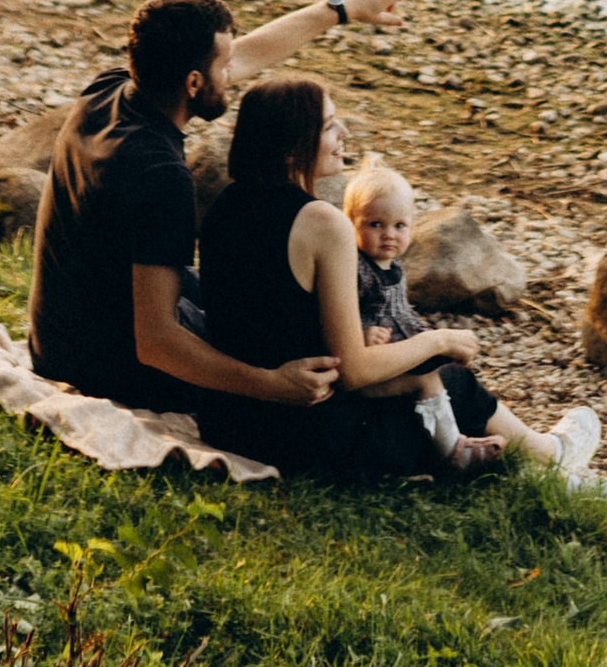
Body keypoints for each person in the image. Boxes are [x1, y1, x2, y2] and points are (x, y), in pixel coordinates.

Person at [29, 0, 396, 431]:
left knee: (258, 298)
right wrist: (271, 383)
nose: (235, 73)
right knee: (301, 346)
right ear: (193, 82)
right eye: (225, 66)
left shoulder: (107, 92)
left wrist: (337, 9)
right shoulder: (159, 176)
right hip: (106, 369)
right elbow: (157, 343)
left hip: (55, 338)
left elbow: (246, 53)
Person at [190, 76, 488, 477]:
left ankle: (547, 452)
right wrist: (438, 339)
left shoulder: (225, 205)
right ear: (291, 148)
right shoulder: (323, 222)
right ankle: (549, 457)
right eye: (329, 125)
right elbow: (355, 370)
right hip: (307, 433)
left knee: (435, 379)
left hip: (229, 418)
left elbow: (271, 321)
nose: (344, 133)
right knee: (451, 379)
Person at [345, 162, 607, 501]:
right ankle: (550, 463)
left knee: (448, 379)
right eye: (375, 224)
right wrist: (364, 334)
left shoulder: (391, 268)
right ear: (350, 224)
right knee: (444, 382)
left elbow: (400, 313)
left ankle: (558, 470)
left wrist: (429, 340)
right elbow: (348, 321)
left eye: (399, 225)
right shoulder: (356, 271)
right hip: (374, 381)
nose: (389, 234)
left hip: (387, 376)